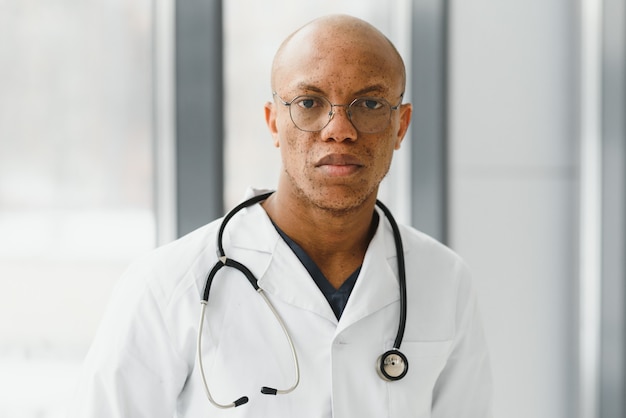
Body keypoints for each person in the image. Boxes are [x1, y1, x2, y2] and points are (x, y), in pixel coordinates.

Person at [69, 14, 492, 417]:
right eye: (309, 102)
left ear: (401, 126)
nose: (339, 129)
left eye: (370, 104)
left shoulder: (445, 281)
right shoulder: (167, 285)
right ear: (274, 124)